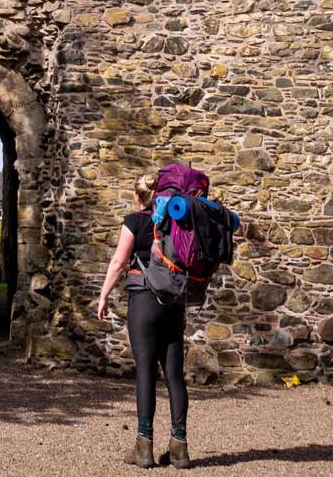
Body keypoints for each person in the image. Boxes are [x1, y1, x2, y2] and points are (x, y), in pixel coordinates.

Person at [94, 170, 195, 469]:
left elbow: (119, 262)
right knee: (175, 375)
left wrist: (103, 296)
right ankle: (179, 448)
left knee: (146, 372)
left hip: (144, 302)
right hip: (174, 303)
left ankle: (144, 447)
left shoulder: (135, 221)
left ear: (139, 197)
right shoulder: (178, 223)